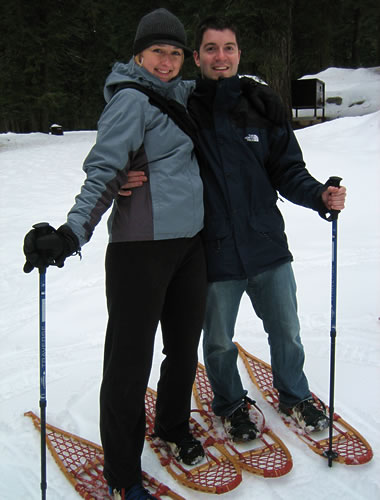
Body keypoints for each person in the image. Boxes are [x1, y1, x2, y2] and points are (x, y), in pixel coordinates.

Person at [121, 16, 347, 443]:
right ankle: (228, 404)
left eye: (228, 48)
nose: (220, 56)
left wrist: (319, 196)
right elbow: (145, 144)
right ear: (197, 57)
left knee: (286, 331)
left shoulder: (260, 106)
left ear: (239, 53)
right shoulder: (183, 108)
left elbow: (288, 168)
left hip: (267, 245)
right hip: (214, 249)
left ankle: (295, 396)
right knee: (219, 342)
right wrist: (120, 176)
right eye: (210, 48)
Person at [23, 9, 208, 500]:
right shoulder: (130, 100)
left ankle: (171, 427)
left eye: (173, 53)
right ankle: (123, 473)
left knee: (183, 347)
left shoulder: (183, 97)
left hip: (190, 245)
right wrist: (71, 233)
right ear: (138, 55)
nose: (166, 62)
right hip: (140, 251)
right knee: (128, 364)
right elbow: (103, 172)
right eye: (156, 52)